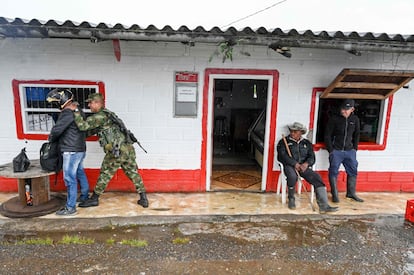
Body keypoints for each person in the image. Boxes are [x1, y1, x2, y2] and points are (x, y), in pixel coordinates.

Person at [69, 93, 149, 208]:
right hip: (127, 148)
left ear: (97, 103)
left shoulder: (99, 116)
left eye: (90, 103)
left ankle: (95, 199)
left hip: (116, 151)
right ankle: (143, 198)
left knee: (105, 173)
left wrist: (75, 111)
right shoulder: (108, 114)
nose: (89, 105)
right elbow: (95, 130)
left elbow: (82, 126)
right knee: (132, 172)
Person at [277, 122, 338, 213]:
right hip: (290, 165)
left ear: (301, 132)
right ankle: (291, 199)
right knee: (292, 177)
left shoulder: (306, 143)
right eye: (291, 131)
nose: (292, 133)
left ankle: (324, 206)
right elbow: (282, 156)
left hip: (303, 167)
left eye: (295, 131)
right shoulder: (283, 142)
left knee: (317, 178)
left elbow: (312, 157)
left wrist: (306, 164)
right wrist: (294, 164)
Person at [47, 88, 90, 216]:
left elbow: (57, 130)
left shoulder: (67, 113)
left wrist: (50, 138)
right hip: (80, 148)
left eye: (55, 102)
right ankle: (84, 195)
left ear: (62, 100)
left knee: (69, 178)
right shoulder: (77, 109)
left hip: (71, 150)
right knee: (79, 172)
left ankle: (70, 208)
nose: (55, 105)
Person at [324, 99, 364, 203]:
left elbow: (357, 134)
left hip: (350, 151)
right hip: (336, 151)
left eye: (347, 109)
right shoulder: (334, 119)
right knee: (333, 172)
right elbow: (327, 135)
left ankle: (351, 193)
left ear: (352, 109)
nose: (344, 111)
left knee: (353, 171)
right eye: (343, 109)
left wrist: (355, 148)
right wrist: (331, 150)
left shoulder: (355, 119)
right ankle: (335, 194)